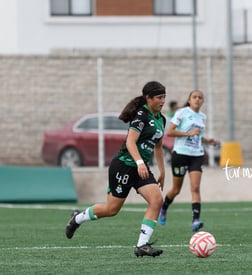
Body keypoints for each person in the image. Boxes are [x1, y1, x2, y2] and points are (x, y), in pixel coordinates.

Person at [65, 81, 167, 257]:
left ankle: (141, 245)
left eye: (164, 96)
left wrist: (162, 171)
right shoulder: (141, 115)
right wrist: (140, 163)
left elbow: (158, 147)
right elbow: (130, 142)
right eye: (159, 97)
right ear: (148, 98)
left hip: (139, 168)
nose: (163, 101)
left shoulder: (161, 119)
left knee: (157, 200)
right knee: (111, 210)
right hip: (124, 166)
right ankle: (77, 218)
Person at [157, 90, 218, 232]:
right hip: (180, 154)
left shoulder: (202, 116)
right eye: (194, 97)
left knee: (195, 188)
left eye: (200, 98)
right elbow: (170, 132)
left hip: (196, 155)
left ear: (202, 101)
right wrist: (188, 133)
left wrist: (208, 141)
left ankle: (195, 220)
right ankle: (164, 208)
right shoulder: (181, 113)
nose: (197, 99)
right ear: (189, 100)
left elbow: (197, 136)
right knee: (176, 189)